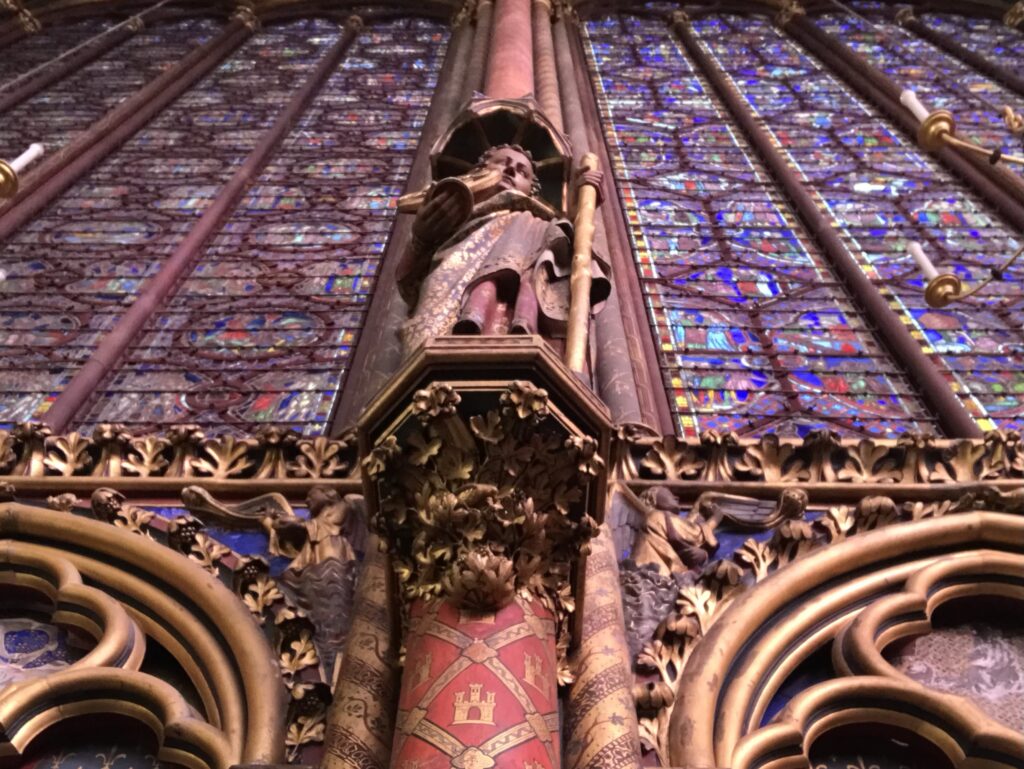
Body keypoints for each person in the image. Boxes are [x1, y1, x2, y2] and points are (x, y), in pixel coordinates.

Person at [396, 144, 610, 355]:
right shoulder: (451, 213)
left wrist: (576, 214)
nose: (511, 170)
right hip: (442, 299)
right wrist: (420, 239)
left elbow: (574, 267)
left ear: (531, 190)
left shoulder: (539, 226)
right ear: (478, 172)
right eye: (502, 163)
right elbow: (410, 285)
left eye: (522, 172)